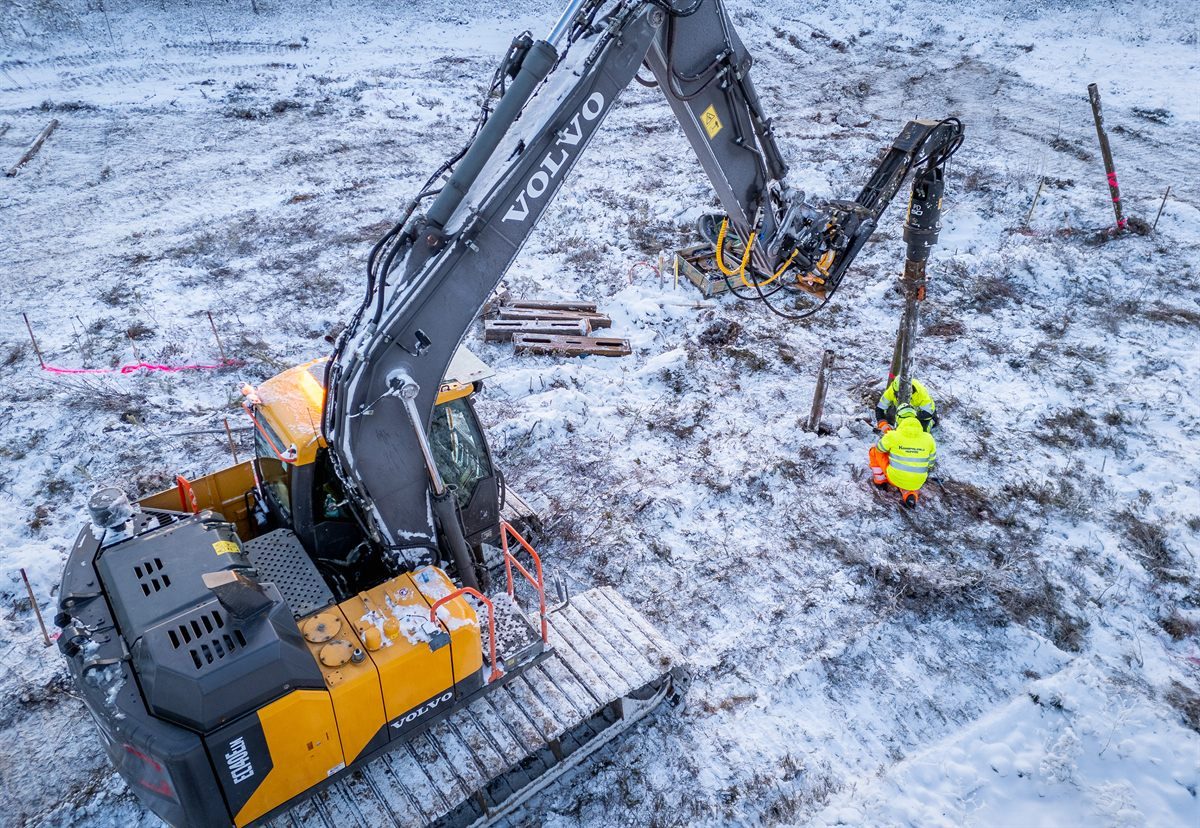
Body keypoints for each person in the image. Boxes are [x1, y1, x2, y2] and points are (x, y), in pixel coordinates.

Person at [869, 404, 937, 508]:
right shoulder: (928, 438)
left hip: (894, 478)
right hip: (917, 482)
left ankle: (880, 481)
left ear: (898, 419)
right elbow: (931, 464)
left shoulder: (893, 435)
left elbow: (879, 448)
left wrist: (888, 438)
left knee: (873, 450)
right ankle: (910, 495)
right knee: (909, 479)